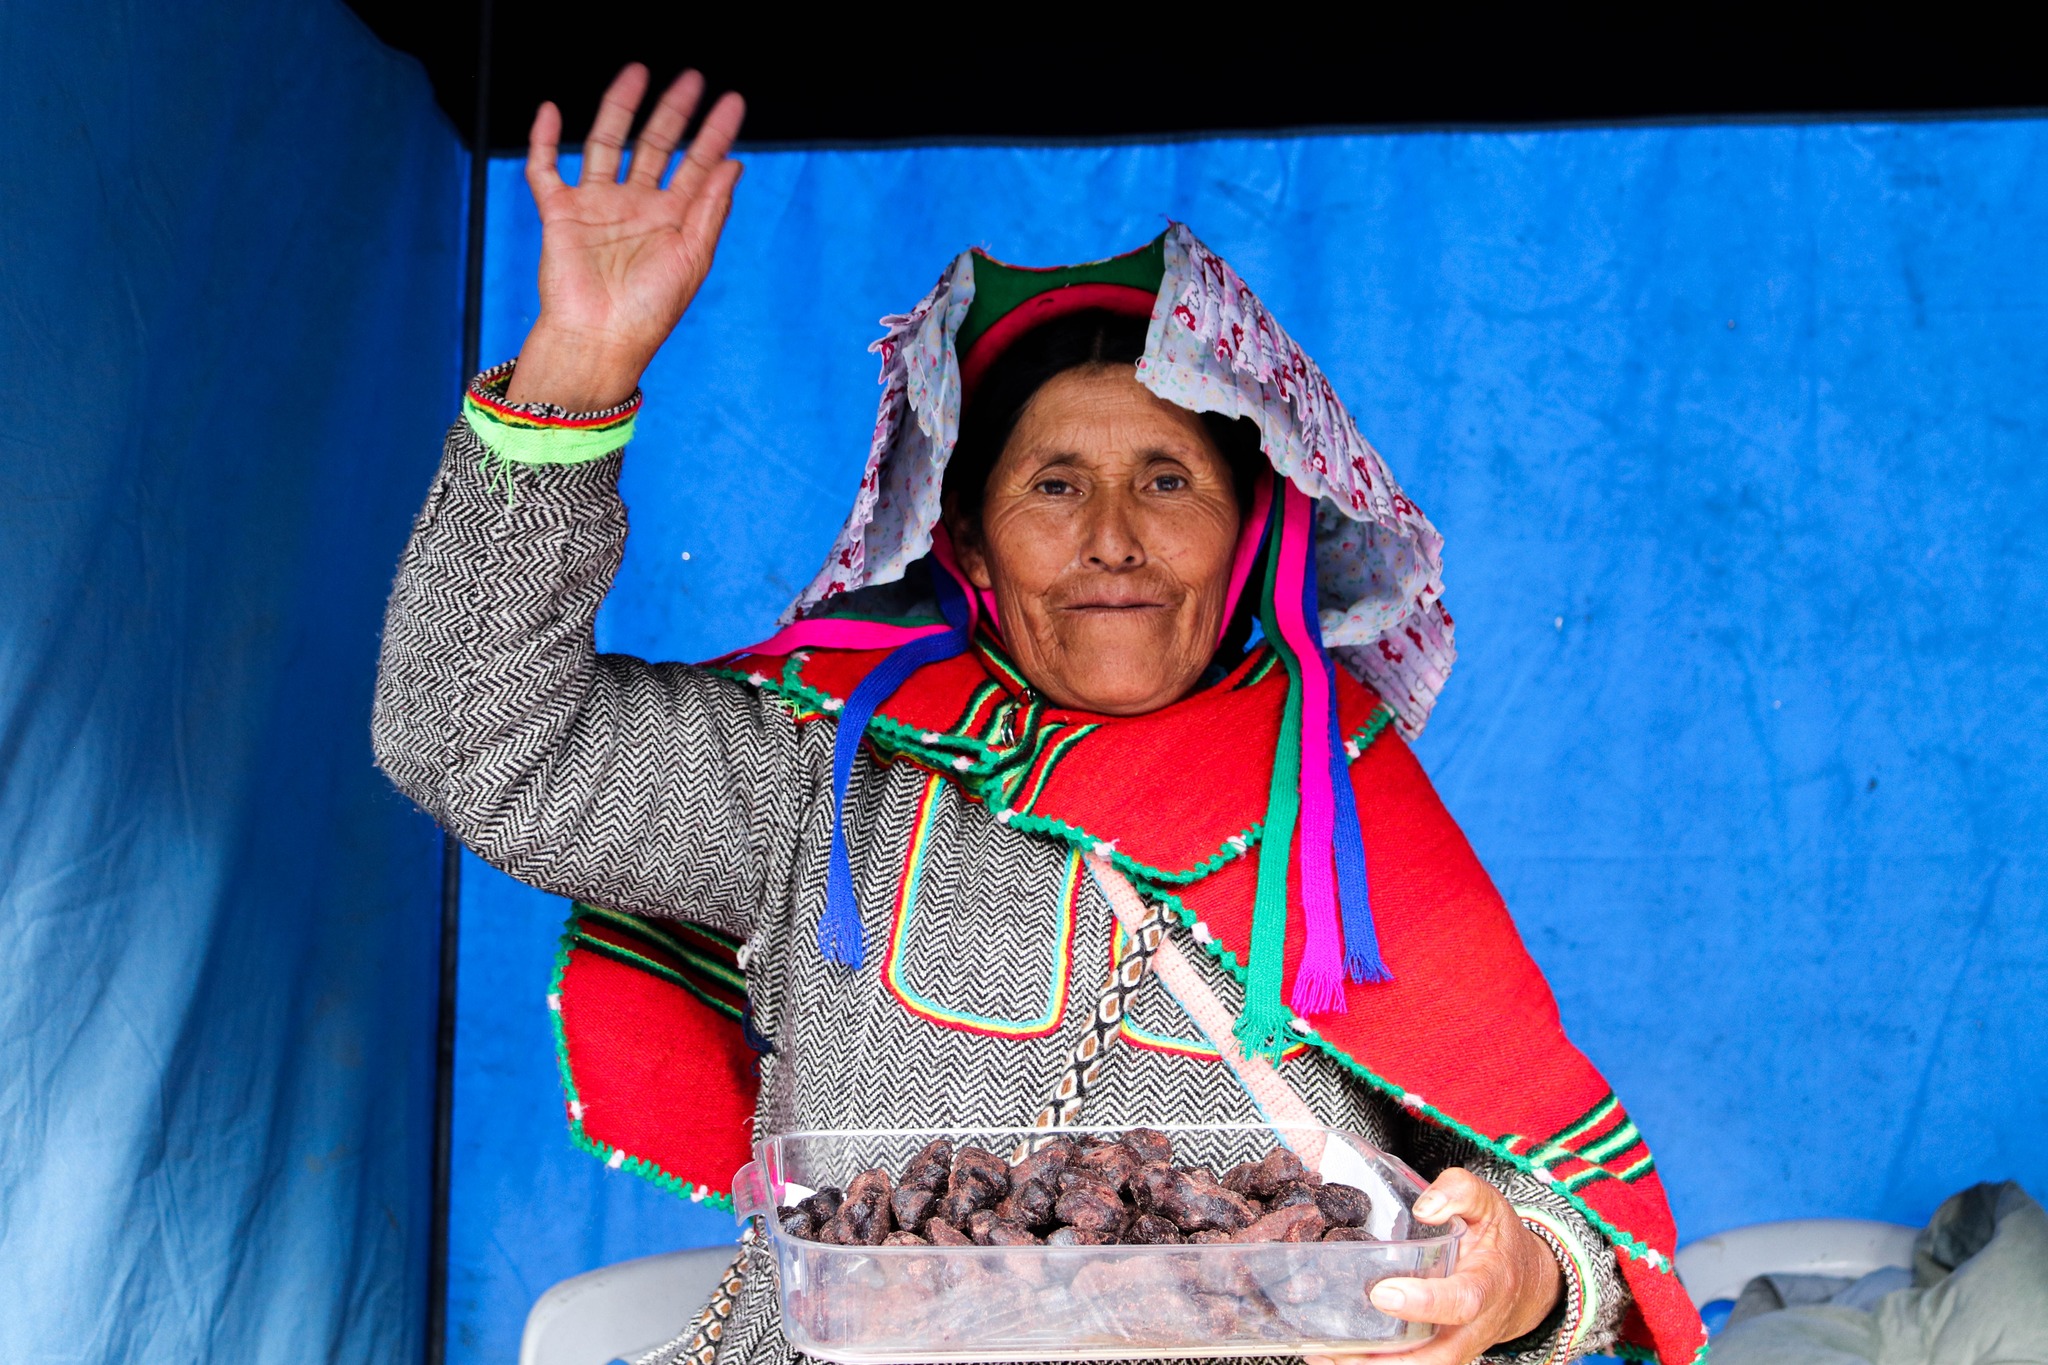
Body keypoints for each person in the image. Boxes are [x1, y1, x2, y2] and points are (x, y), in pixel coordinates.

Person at [373, 64, 1706, 1365]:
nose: (1114, 540)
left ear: (1250, 539)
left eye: (1170, 480)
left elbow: (1561, 1213)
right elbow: (468, 736)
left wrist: (1521, 1275)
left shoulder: (1345, 825)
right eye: (1057, 485)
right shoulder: (824, 772)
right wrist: (572, 376)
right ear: (967, 538)